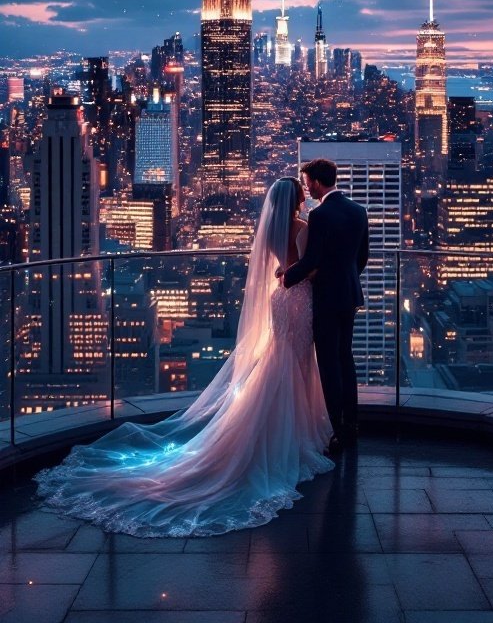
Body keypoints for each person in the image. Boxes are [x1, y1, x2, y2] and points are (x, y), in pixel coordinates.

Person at [35, 177, 333, 537]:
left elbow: (279, 267)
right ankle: (295, 436)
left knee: (279, 357)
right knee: (296, 362)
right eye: (301, 191)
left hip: (280, 298)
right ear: (296, 198)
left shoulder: (270, 231)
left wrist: (284, 271)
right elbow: (309, 267)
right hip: (298, 298)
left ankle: (283, 432)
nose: (305, 194)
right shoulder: (301, 228)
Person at [277, 158, 369, 456]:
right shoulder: (358, 211)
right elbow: (362, 258)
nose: (306, 187)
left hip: (327, 297)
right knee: (346, 359)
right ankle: (353, 425)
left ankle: (338, 431)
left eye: (307, 182)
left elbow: (312, 259)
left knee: (329, 364)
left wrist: (287, 277)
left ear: (316, 182)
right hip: (350, 295)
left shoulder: (319, 215)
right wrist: (346, 278)